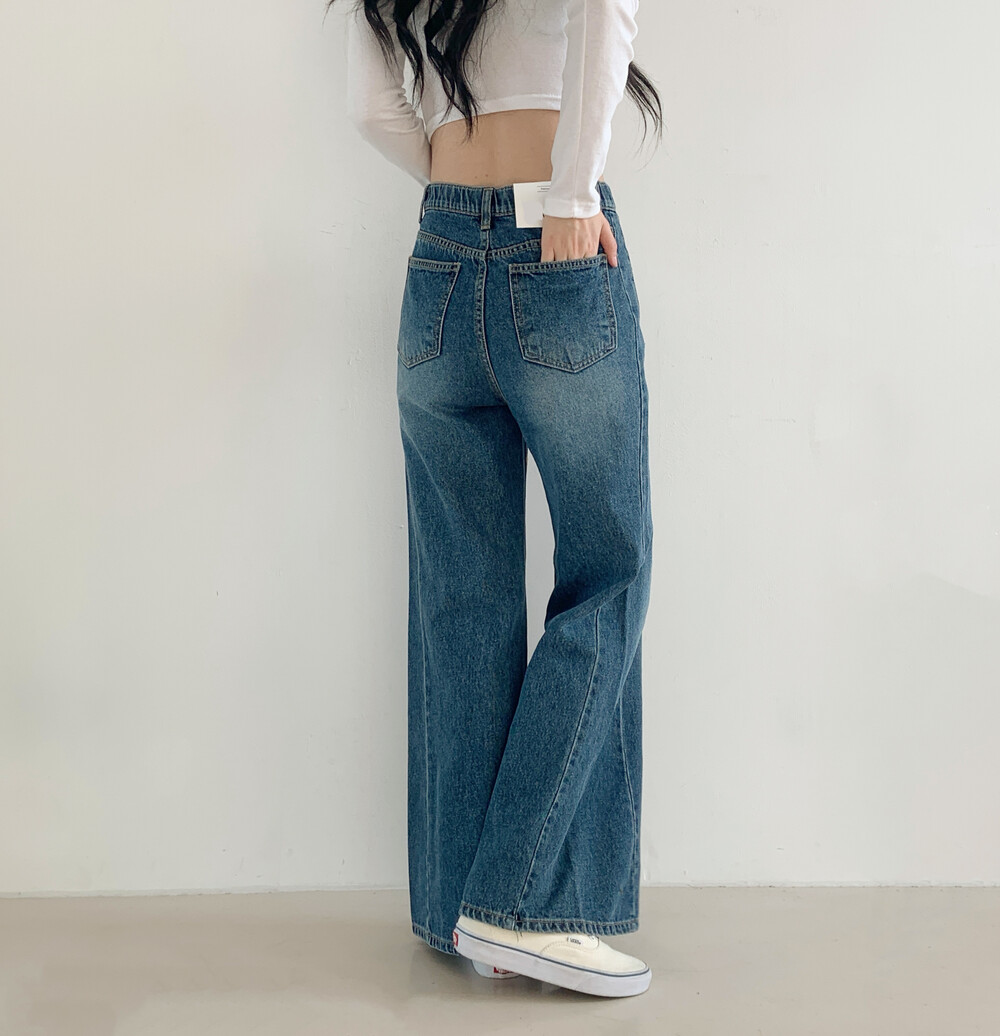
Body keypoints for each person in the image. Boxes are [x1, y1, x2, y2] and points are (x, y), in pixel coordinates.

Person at [338, 0, 661, 998]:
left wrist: (458, 205)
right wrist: (569, 195)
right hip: (552, 242)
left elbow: (371, 107)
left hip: (438, 255)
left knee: (459, 597)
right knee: (608, 574)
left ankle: (459, 905)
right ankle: (523, 907)